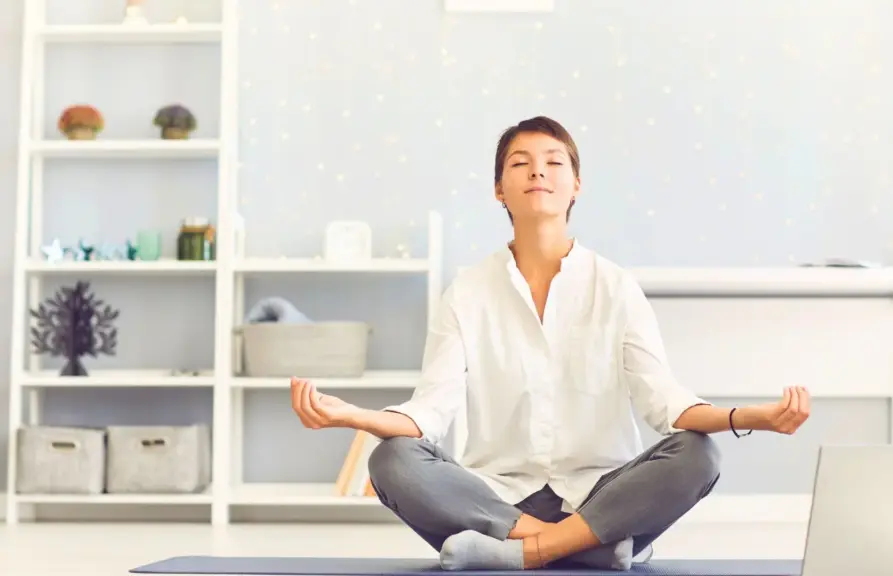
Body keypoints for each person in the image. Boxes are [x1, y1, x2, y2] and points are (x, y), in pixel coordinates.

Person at [289, 116, 811, 571]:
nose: (538, 171)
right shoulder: (467, 292)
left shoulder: (615, 287)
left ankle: (522, 553)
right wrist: (353, 416)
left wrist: (752, 417)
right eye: (520, 163)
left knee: (698, 453)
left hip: (602, 496)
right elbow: (429, 412)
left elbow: (666, 404)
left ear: (576, 184)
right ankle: (585, 549)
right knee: (390, 461)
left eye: (553, 162)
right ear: (499, 190)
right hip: (496, 501)